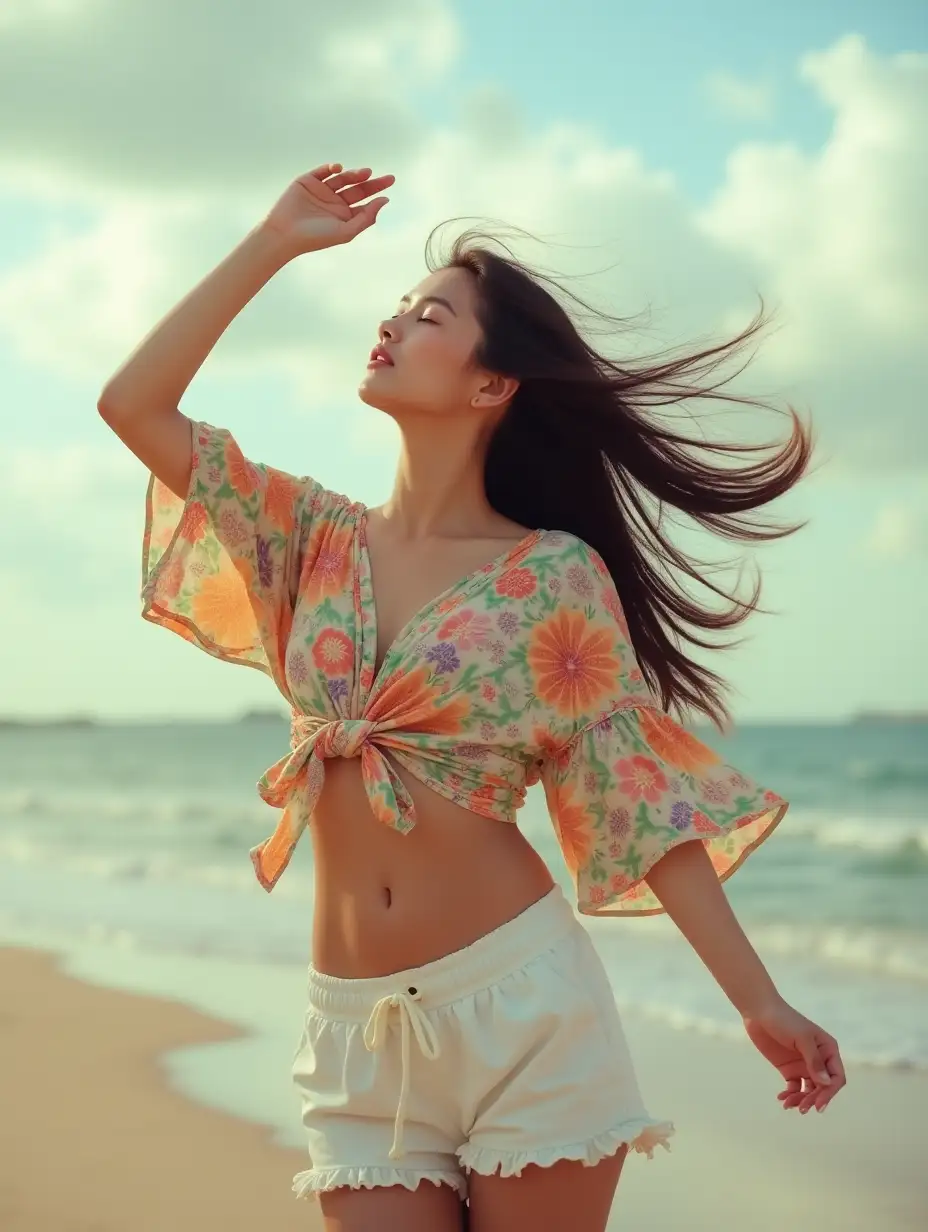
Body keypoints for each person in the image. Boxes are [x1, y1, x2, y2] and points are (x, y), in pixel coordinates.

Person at [98, 162, 846, 1232]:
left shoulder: (553, 577)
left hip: (521, 1009)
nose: (392, 323)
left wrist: (756, 999)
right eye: (398, 307)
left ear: (493, 384)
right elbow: (132, 403)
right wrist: (273, 239)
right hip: (353, 1026)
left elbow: (638, 800)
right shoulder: (307, 539)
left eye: (430, 314)